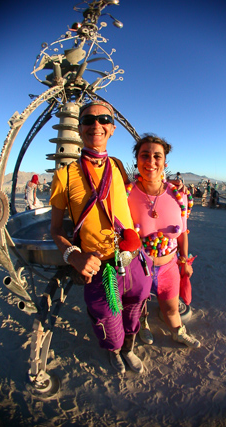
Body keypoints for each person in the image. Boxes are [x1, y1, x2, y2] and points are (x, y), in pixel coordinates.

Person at [49, 101, 152, 375]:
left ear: (113, 129)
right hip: (100, 266)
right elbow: (56, 230)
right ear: (79, 129)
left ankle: (128, 348)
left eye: (104, 119)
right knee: (107, 320)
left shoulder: (118, 166)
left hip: (133, 260)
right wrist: (74, 255)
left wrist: (169, 186)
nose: (96, 125)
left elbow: (132, 197)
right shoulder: (64, 175)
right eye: (88, 120)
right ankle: (115, 350)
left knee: (133, 311)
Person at [126, 134, 201, 349]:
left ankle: (178, 332)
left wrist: (184, 259)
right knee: (140, 305)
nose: (151, 161)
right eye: (145, 155)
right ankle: (143, 325)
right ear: (137, 161)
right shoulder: (126, 194)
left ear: (165, 162)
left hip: (169, 266)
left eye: (157, 156)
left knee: (171, 307)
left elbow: (184, 232)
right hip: (139, 266)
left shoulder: (179, 194)